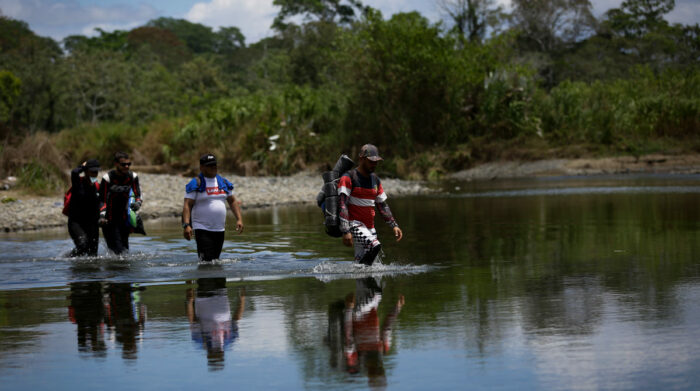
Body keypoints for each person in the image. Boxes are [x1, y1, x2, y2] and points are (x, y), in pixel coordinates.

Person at [338, 144, 403, 265]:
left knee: (365, 264)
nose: (374, 164)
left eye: (376, 162)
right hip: (354, 225)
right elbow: (342, 204)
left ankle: (364, 281)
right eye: (371, 161)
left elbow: (382, 205)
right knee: (375, 246)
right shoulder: (348, 177)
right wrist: (345, 230)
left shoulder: (376, 180)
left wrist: (394, 225)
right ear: (361, 159)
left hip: (370, 228)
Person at [182, 153, 244, 262]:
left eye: (215, 165)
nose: (213, 167)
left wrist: (239, 219)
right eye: (210, 165)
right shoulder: (196, 183)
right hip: (201, 228)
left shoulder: (223, 183)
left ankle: (215, 279)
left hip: (219, 228)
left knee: (215, 260)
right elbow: (187, 204)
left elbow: (232, 201)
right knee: (206, 261)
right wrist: (186, 225)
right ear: (202, 167)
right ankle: (202, 278)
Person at [98, 152, 142, 255]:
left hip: (124, 219)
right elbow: (102, 200)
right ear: (116, 164)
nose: (126, 166)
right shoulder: (107, 178)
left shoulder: (133, 177)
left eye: (129, 164)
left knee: (125, 250)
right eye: (123, 164)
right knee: (118, 250)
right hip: (108, 220)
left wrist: (138, 203)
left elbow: (138, 195)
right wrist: (101, 217)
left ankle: (118, 270)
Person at [67, 159, 101, 257]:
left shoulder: (97, 187)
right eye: (92, 172)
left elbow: (102, 203)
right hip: (76, 222)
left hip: (92, 223)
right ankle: (69, 258)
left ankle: (91, 272)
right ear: (86, 172)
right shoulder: (78, 183)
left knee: (93, 254)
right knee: (82, 245)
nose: (95, 174)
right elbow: (74, 172)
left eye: (96, 172)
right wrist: (82, 166)